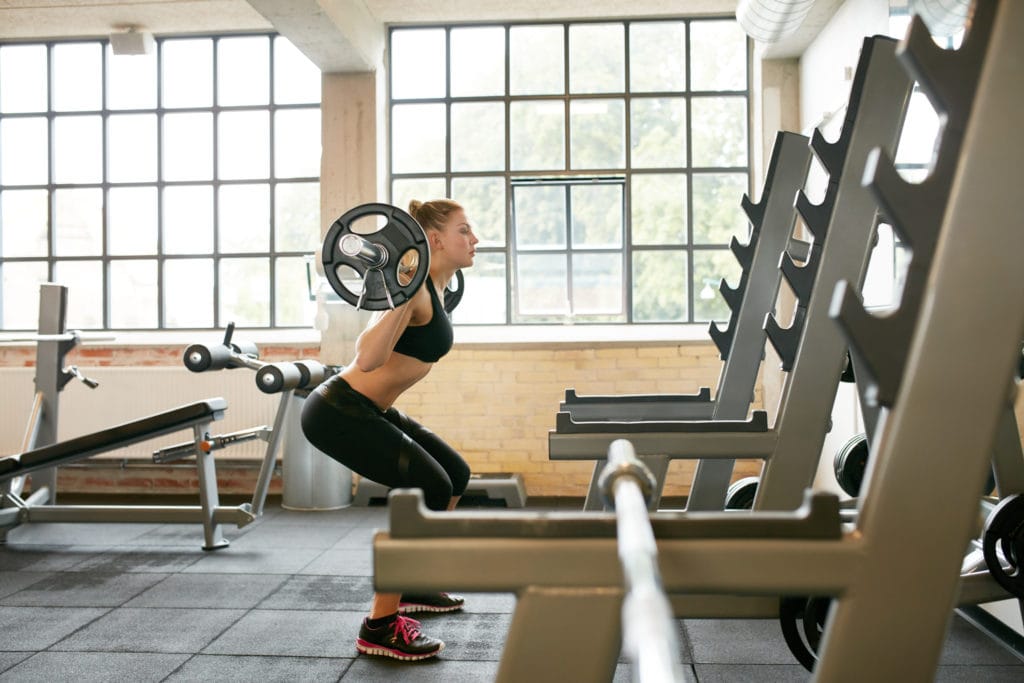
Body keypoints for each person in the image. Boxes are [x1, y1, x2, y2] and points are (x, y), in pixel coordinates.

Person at [301, 198, 478, 661]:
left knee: (455, 475)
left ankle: (415, 580)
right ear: (434, 239)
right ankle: (379, 625)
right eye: (465, 230)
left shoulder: (437, 288)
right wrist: (403, 291)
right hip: (338, 410)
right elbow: (367, 357)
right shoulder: (415, 291)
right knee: (430, 486)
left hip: (370, 408)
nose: (474, 239)